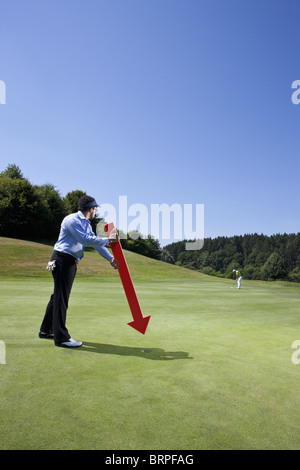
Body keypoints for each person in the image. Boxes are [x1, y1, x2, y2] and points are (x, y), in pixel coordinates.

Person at [39, 195, 119, 348]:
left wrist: (110, 258)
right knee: (62, 298)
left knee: (57, 297)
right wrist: (109, 239)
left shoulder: (86, 224)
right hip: (63, 259)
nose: (95, 211)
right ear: (91, 208)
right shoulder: (72, 220)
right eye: (95, 209)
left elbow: (95, 242)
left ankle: (46, 330)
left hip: (67, 260)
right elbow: (85, 240)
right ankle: (61, 338)